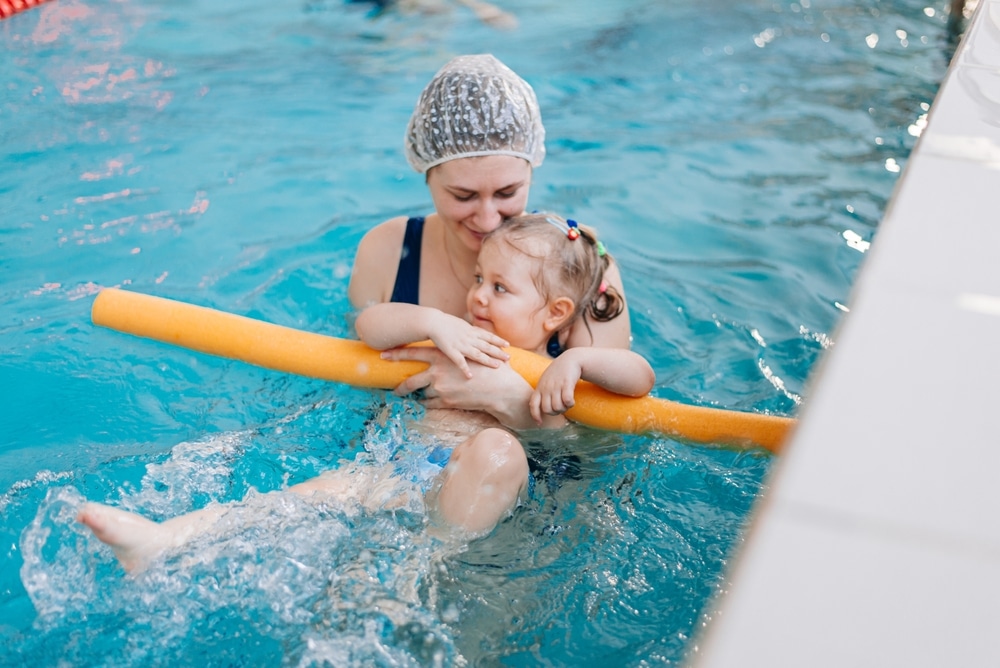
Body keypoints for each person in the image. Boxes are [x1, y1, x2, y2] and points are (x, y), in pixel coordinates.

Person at [78, 213, 654, 572]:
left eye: (498, 287)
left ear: (554, 313)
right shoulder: (459, 331)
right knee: (295, 502)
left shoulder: (555, 365)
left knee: (492, 459)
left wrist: (577, 360)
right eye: (479, 277)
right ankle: (162, 542)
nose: (477, 296)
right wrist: (432, 320)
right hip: (404, 467)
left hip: (481, 487)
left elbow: (639, 379)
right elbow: (370, 326)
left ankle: (415, 574)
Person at [347, 55, 635, 520]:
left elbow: (604, 447)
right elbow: (351, 381)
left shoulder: (578, 268)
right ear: (427, 173)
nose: (486, 219)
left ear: (531, 170)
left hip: (535, 488)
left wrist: (513, 402)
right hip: (408, 459)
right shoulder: (387, 252)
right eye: (462, 196)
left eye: (507, 193)